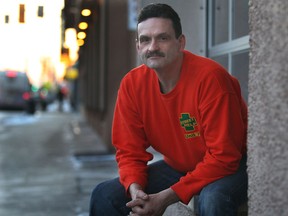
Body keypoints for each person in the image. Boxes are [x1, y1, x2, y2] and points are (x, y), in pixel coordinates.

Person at [89, 3, 247, 216]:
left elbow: (224, 157)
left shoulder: (211, 79)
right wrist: (136, 191)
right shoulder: (132, 85)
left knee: (213, 199)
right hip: (182, 166)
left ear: (180, 43)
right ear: (138, 46)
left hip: (235, 164)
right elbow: (129, 150)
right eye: (145, 39)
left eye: (162, 38)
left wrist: (166, 197)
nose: (152, 47)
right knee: (104, 194)